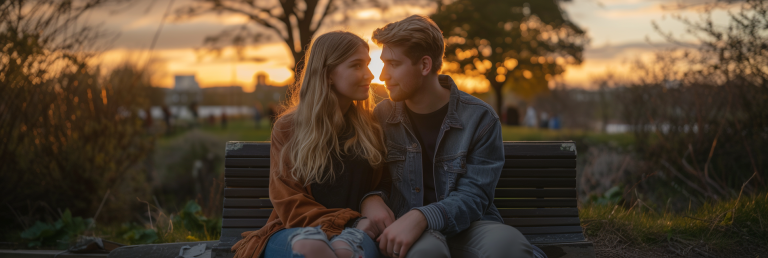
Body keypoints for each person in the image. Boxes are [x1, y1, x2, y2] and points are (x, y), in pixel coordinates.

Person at [365, 15, 536, 258]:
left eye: (393, 64)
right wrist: (370, 199)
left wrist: (424, 216)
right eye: (383, 63)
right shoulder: (381, 116)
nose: (382, 75)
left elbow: (475, 196)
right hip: (407, 230)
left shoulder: (480, 118)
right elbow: (374, 179)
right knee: (427, 252)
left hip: (470, 226)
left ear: (425, 65)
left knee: (509, 245)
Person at [231, 31, 390, 258]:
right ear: (327, 74)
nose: (369, 75)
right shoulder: (288, 128)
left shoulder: (372, 128)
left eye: (367, 65)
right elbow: (289, 201)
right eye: (356, 66)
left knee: (346, 250)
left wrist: (374, 198)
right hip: (298, 231)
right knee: (312, 247)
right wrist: (351, 222)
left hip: (358, 235)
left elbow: (388, 181)